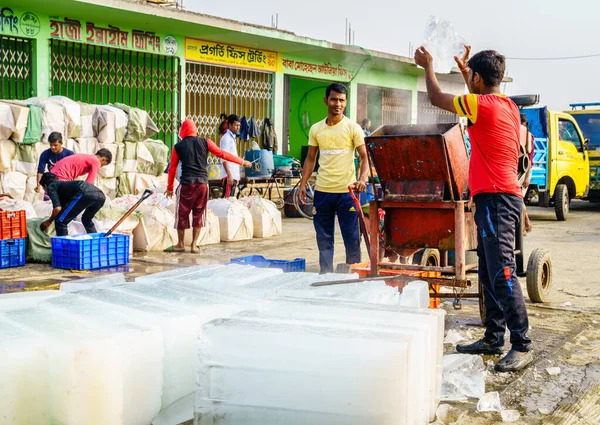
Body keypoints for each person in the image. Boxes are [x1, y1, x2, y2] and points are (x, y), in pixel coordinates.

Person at [414, 45, 532, 372]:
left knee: (502, 270)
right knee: (488, 269)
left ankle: (521, 344)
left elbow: (437, 97)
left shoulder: (482, 105)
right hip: (496, 197)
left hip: (496, 197)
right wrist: (468, 73)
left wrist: (428, 65)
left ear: (478, 79)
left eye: (471, 79)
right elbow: (477, 99)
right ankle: (494, 337)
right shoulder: (506, 105)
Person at [299, 83, 370, 274]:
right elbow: (311, 158)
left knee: (352, 239)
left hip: (347, 193)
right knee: (323, 238)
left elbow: (365, 158)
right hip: (323, 192)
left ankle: (354, 276)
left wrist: (362, 179)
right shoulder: (316, 129)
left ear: (345, 103)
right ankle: (325, 275)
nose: (337, 104)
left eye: (341, 100)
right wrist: (303, 184)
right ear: (326, 101)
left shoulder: (353, 128)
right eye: (334, 99)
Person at [166, 119, 251, 252]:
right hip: (202, 184)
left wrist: (169, 188)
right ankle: (194, 245)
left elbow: (172, 169)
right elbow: (222, 153)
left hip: (187, 184)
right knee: (199, 214)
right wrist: (241, 161)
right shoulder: (206, 142)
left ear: (182, 131)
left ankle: (181, 244)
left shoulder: (178, 146)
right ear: (195, 130)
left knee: (182, 214)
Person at [39, 172, 106, 236]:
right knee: (86, 219)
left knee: (60, 222)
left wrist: (49, 221)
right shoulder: (62, 187)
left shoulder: (51, 186)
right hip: (101, 195)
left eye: (44, 189)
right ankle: (94, 242)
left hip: (84, 192)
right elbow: (64, 210)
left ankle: (64, 246)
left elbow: (57, 209)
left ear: (45, 186)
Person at [220, 114, 242, 198]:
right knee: (227, 199)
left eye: (239, 125)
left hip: (233, 174)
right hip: (229, 175)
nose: (238, 127)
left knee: (231, 199)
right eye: (236, 125)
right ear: (230, 125)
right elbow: (223, 158)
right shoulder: (226, 138)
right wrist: (229, 175)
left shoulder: (232, 138)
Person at [520, 113, 534, 234]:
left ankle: (525, 226)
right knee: (519, 199)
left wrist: (526, 178)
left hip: (526, 169)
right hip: (521, 170)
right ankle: (526, 225)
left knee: (519, 199)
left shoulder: (528, 136)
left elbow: (528, 158)